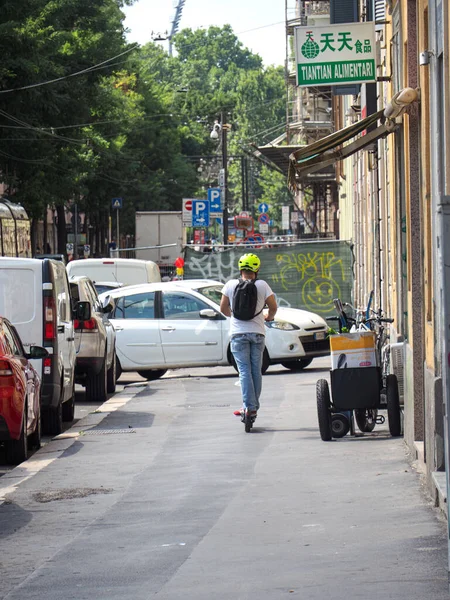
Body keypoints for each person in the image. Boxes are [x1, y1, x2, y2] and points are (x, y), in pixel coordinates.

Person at [220, 253, 277, 422]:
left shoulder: (230, 285)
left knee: (244, 371)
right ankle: (252, 407)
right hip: (258, 333)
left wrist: (236, 317)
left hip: (238, 335)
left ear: (240, 269)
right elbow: (273, 307)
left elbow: (223, 308)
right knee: (255, 371)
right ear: (257, 269)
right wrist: (268, 316)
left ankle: (249, 407)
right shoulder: (262, 285)